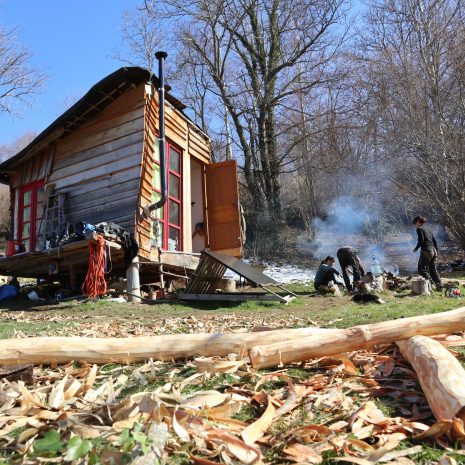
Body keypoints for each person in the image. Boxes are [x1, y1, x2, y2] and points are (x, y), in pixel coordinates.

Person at [412, 216, 442, 290]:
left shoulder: (419, 229)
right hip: (434, 251)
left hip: (427, 251)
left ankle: (431, 284)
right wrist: (437, 251)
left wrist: (415, 249)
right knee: (433, 269)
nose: (415, 226)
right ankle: (440, 285)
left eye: (415, 223)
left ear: (418, 222)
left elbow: (421, 241)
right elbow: (434, 241)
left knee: (421, 269)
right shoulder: (429, 229)